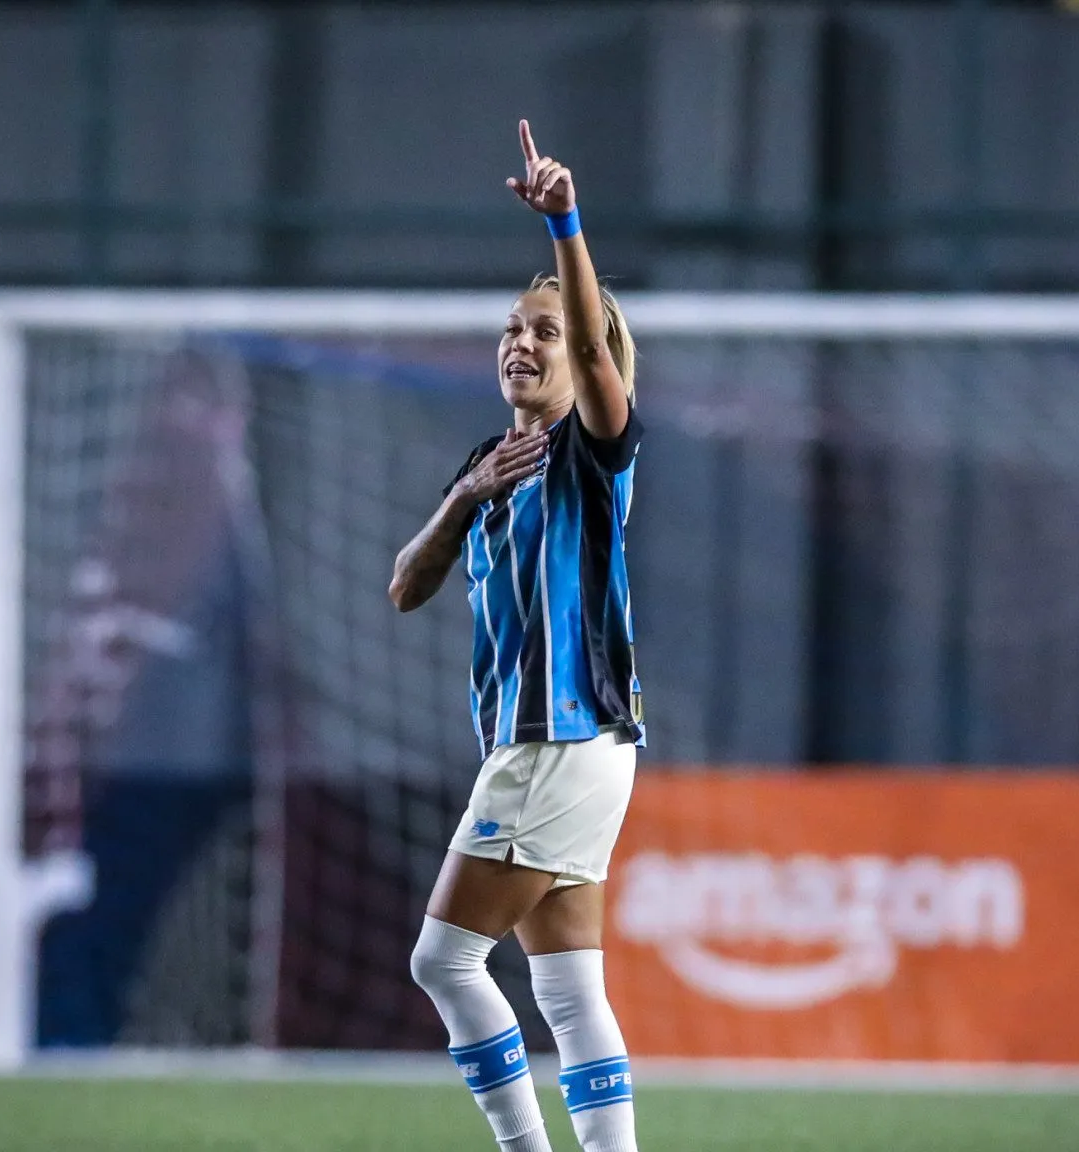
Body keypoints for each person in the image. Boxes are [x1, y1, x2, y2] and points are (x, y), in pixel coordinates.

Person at [387, 120, 644, 1152]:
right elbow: (405, 586)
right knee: (569, 988)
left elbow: (591, 344)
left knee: (440, 964)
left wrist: (564, 226)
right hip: (574, 753)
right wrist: (461, 499)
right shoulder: (491, 463)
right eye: (511, 326)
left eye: (543, 330)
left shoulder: (592, 452)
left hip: (556, 741)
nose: (523, 342)